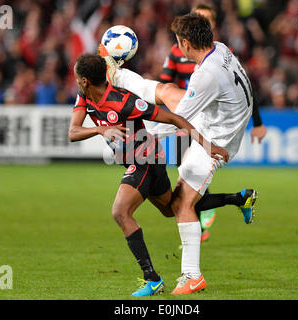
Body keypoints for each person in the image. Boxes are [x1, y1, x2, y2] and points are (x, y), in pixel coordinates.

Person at [69, 53, 256, 297]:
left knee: (120, 212)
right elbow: (73, 132)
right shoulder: (84, 96)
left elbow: (175, 118)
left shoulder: (124, 101)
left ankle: (152, 278)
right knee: (173, 208)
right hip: (142, 161)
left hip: (145, 160)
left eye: (75, 76)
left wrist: (209, 147)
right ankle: (240, 198)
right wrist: (101, 129)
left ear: (84, 80)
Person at [159, 3, 267, 242]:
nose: (177, 46)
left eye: (178, 41)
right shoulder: (220, 49)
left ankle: (192, 273)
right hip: (208, 121)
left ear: (186, 43)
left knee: (178, 203)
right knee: (180, 195)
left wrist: (140, 134)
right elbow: (247, 85)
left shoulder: (206, 74)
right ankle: (240, 199)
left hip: (215, 136)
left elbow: (178, 119)